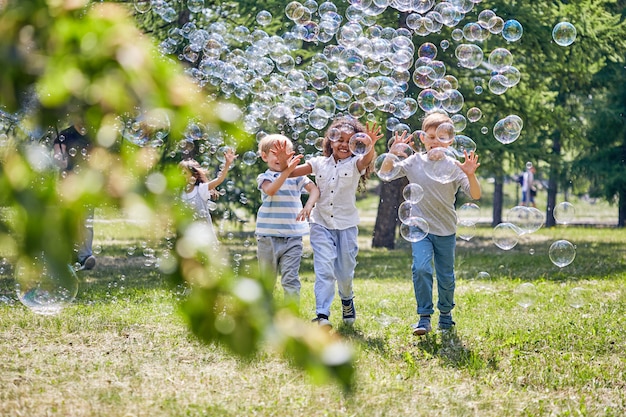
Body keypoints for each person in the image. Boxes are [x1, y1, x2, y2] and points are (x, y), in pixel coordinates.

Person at [277, 116, 384, 328]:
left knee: (344, 273)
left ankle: (347, 299)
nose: (344, 144)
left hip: (346, 226)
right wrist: (282, 161)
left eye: (350, 141)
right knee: (324, 268)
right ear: (330, 141)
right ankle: (322, 315)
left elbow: (366, 160)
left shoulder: (355, 163)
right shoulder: (318, 163)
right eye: (339, 139)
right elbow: (289, 173)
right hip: (320, 223)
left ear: (357, 144)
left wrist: (370, 145)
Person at [384, 112, 481, 336]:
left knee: (446, 276)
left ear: (450, 141)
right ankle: (424, 317)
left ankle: (446, 315)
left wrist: (471, 175)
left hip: (446, 230)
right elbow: (386, 174)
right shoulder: (414, 161)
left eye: (442, 137)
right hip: (419, 227)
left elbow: (475, 194)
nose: (435, 141)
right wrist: (391, 154)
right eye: (431, 136)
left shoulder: (455, 166)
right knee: (421, 268)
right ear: (423, 139)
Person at [255, 134, 320, 306]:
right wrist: (287, 171)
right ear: (264, 156)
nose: (281, 157)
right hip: (268, 237)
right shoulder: (265, 177)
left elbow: (314, 189)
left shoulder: (298, 177)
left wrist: (309, 206)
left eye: (285, 153)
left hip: (293, 237)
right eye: (276, 153)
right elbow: (271, 191)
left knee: (290, 279)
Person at [53, 119, 96, 270]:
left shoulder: (93, 135)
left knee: (86, 220)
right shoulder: (64, 135)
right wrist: (61, 159)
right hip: (68, 184)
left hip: (87, 183)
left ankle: (85, 257)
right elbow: (58, 156)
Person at [179, 148, 237, 246]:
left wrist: (227, 164)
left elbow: (219, 180)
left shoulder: (201, 189)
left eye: (184, 173)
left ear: (195, 176)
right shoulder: (180, 194)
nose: (181, 175)